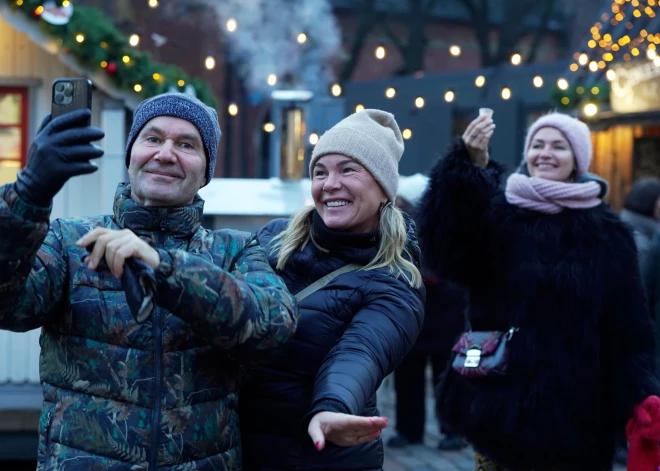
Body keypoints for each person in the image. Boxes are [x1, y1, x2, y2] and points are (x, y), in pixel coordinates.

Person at [0, 93, 298, 470]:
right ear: (131, 156)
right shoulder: (68, 241)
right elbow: (8, 307)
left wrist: (165, 269)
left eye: (187, 144)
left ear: (207, 171)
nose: (166, 153)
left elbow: (274, 328)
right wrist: (28, 193)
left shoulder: (234, 251)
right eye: (153, 139)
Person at [417, 111, 660, 470]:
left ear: (577, 159)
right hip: (498, 405)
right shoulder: (498, 215)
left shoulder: (608, 233)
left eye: (559, 146)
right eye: (537, 145)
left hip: (579, 414)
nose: (545, 153)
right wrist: (467, 168)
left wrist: (643, 394)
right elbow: (446, 253)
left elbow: (629, 328)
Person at [239, 109, 425, 471]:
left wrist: (333, 408)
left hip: (316, 456)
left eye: (348, 170)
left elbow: (361, 353)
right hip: (239, 448)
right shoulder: (274, 237)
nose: (330, 184)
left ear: (383, 188)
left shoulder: (397, 280)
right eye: (320, 172)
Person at [387, 174, 468, 451]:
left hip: (441, 312)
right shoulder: (399, 224)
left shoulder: (437, 226)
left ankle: (449, 430)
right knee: (414, 377)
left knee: (444, 378)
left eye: (403, 201)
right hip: (416, 313)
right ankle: (414, 430)